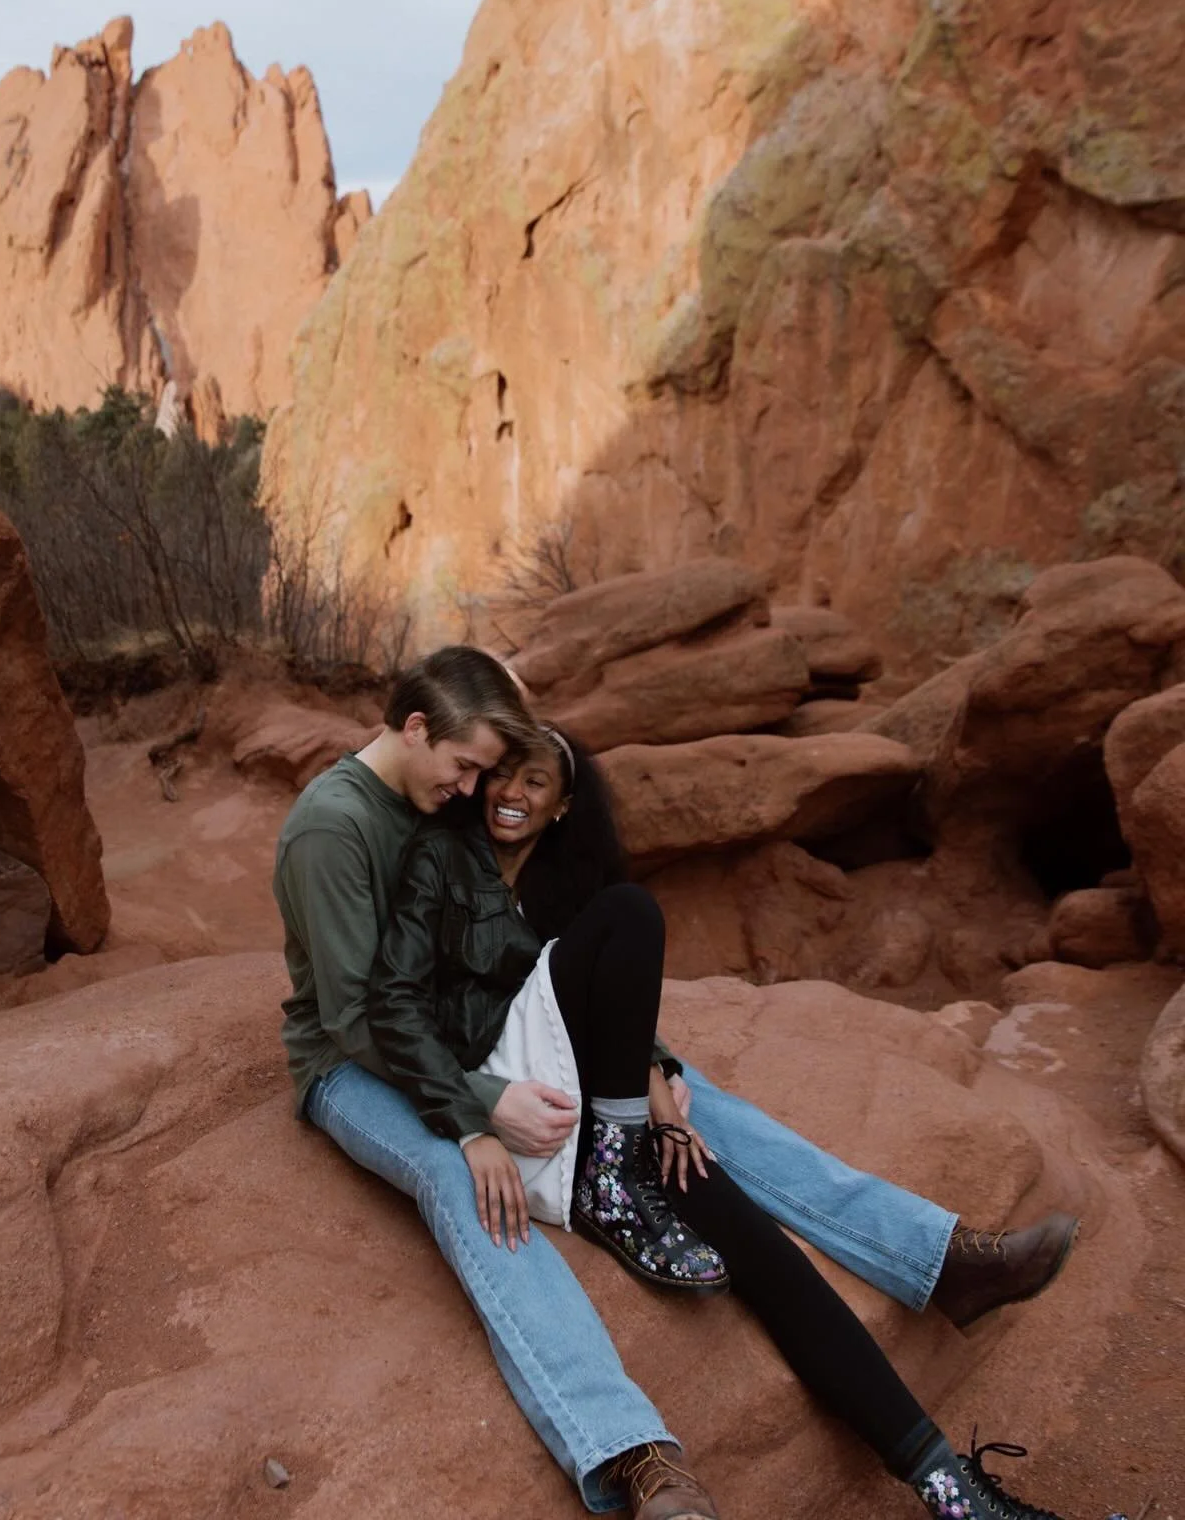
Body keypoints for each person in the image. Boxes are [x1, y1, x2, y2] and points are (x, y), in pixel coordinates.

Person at [272, 647, 1080, 1519]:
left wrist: (648, 1062)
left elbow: (519, 957)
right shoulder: (335, 825)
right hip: (355, 1064)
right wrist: (478, 1111)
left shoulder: (445, 807)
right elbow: (358, 1017)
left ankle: (932, 1257)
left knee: (693, 1114)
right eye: (467, 767)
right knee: (462, 1178)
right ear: (416, 729)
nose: (476, 788)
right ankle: (631, 1452)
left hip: (471, 1038)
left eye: (488, 772)